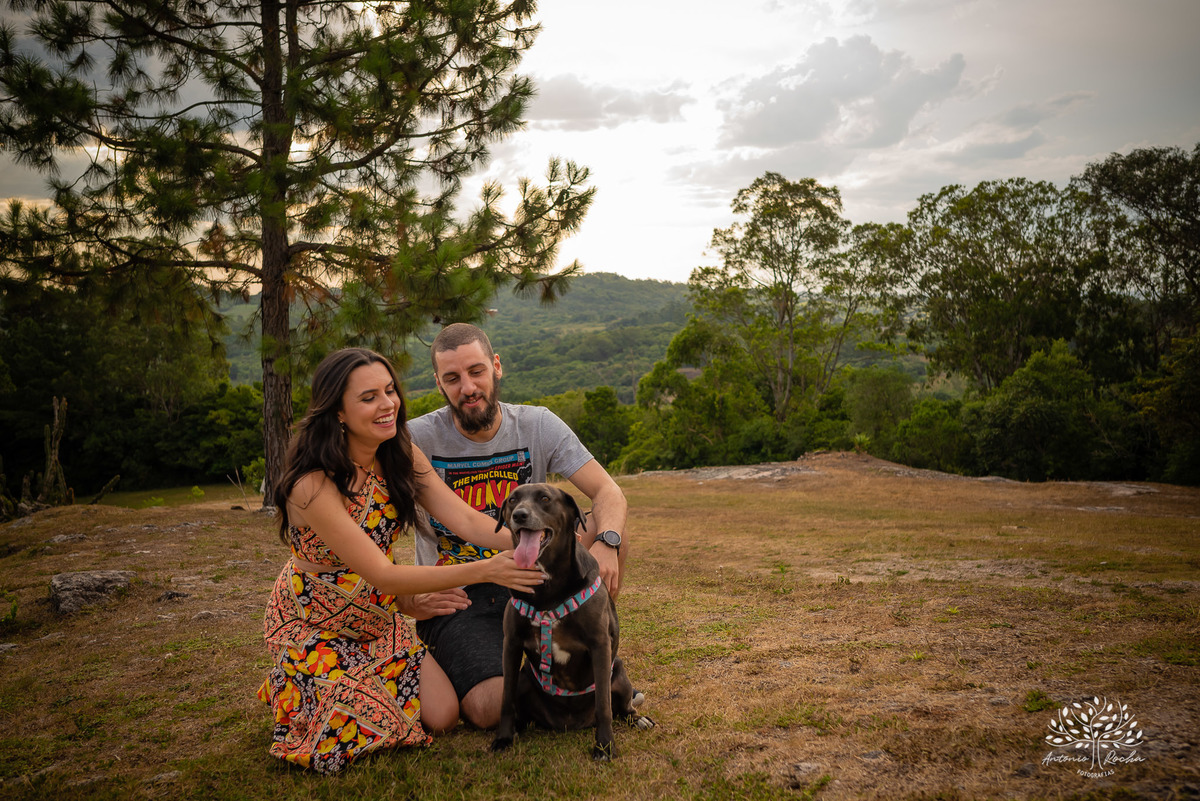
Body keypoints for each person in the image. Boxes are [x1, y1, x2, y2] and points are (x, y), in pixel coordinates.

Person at [257, 347, 545, 774]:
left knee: (443, 716)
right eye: (368, 397)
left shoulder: (400, 454)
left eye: (390, 391)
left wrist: (536, 541)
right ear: (338, 411)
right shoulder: (312, 483)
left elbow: (467, 520)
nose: (387, 404)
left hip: (377, 617)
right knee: (347, 733)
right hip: (317, 621)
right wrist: (487, 569)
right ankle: (298, 683)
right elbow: (383, 573)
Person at [407, 323, 631, 729]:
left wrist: (608, 543)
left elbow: (608, 491)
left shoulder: (536, 424)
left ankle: (586, 644)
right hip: (462, 594)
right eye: (452, 378)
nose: (468, 387)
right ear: (438, 384)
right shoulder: (416, 439)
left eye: (476, 371)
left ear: (496, 367)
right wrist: (409, 597)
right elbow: (371, 527)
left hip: (537, 583)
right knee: (491, 708)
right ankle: (529, 671)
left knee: (607, 523)